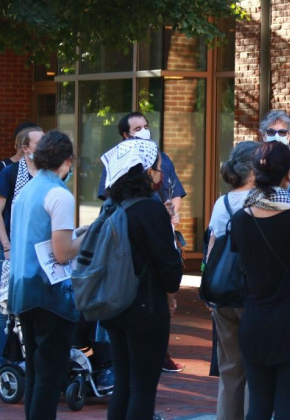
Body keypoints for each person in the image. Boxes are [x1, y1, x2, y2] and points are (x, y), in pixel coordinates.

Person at [231, 141, 290, 420]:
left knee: (258, 407)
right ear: (289, 173)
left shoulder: (241, 217)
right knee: (287, 409)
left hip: (255, 320)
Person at [99, 140, 183, 420]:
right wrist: (171, 298)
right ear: (146, 172)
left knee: (123, 382)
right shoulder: (150, 208)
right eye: (158, 169)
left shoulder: (112, 204)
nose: (160, 175)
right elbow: (169, 265)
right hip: (146, 306)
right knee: (143, 387)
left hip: (113, 304)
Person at [8, 130, 87, 419]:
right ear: (67, 161)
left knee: (36, 372)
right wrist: (87, 237)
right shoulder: (59, 194)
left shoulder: (26, 191)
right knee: (50, 376)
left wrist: (76, 234)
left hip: (23, 292)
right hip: (51, 295)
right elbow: (64, 252)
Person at [206, 141, 259, 420]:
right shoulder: (264, 200)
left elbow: (213, 248)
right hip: (253, 292)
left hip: (224, 291)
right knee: (255, 369)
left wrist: (210, 289)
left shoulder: (222, 202)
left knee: (229, 369)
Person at [0, 126, 44, 259]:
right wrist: (6, 246)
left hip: (43, 247)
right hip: (14, 245)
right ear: (25, 149)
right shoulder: (10, 173)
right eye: (39, 143)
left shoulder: (49, 174)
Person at [259, 110, 290, 197]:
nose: (276, 136)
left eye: (282, 132)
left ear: (289, 137)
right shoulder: (257, 164)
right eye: (271, 132)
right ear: (264, 136)